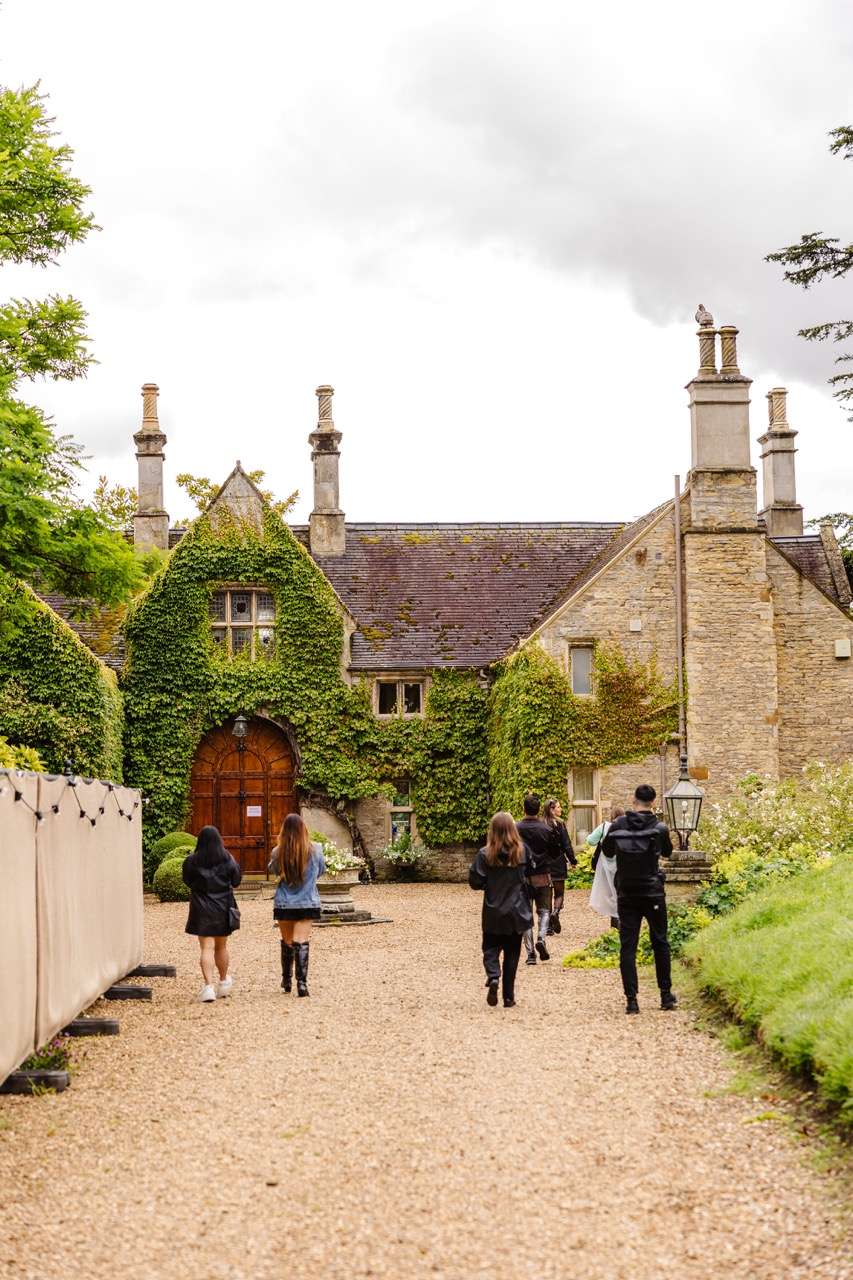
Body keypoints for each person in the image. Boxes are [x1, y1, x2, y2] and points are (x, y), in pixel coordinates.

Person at [602, 785, 676, 1014]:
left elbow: (607, 851)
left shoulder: (618, 825)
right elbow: (667, 853)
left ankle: (632, 1000)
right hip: (652, 891)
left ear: (633, 800)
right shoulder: (659, 827)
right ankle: (665, 995)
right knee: (660, 942)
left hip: (627, 892)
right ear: (653, 802)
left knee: (628, 946)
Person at [468, 811, 534, 1008]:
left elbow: (475, 882)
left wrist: (489, 884)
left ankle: (493, 975)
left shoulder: (484, 854)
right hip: (517, 910)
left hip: (493, 909)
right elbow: (531, 872)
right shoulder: (523, 851)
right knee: (512, 954)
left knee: (490, 947)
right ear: (513, 829)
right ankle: (508, 997)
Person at [182, 825, 242, 1003]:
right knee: (221, 947)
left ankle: (208, 987)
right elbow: (236, 881)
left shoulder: (192, 861)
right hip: (223, 908)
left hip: (202, 908)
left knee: (206, 948)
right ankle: (223, 983)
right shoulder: (227, 859)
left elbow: (187, 880)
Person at [268, 814, 326, 997]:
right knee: (301, 941)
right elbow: (321, 870)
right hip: (307, 901)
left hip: (285, 903)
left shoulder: (278, 852)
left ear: (284, 830)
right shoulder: (316, 849)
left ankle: (286, 980)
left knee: (287, 942)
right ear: (304, 828)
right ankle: (302, 984)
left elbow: (273, 870)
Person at [516, 793, 558, 964]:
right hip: (542, 875)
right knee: (544, 911)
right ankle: (541, 937)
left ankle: (530, 954)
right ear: (539, 809)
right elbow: (555, 852)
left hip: (522, 877)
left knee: (525, 915)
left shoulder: (516, 829)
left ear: (523, 808)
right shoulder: (547, 829)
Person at [542, 798, 576, 935]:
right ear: (551, 809)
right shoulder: (560, 824)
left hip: (544, 863)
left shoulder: (541, 824)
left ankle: (549, 927)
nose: (560, 809)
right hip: (558, 862)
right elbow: (566, 844)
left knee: (547, 894)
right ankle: (555, 913)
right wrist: (573, 860)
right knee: (559, 893)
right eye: (558, 807)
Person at [587, 806, 625, 926]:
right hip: (621, 864)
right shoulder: (626, 828)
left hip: (605, 866)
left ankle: (614, 920)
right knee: (619, 891)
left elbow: (590, 841)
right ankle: (619, 919)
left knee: (608, 892)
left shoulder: (604, 827)